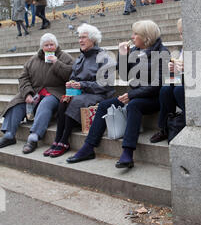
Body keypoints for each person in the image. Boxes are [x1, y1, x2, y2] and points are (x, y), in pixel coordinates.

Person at [67, 20, 170, 169]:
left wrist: (132, 95)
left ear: (146, 36)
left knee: (133, 105)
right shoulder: (135, 50)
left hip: (154, 98)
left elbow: (157, 84)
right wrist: (122, 56)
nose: (132, 37)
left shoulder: (162, 52)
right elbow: (124, 75)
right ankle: (88, 148)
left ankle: (127, 153)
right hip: (135, 94)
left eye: (136, 34)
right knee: (103, 106)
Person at [44, 24, 116, 158]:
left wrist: (82, 85)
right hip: (82, 93)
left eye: (84, 37)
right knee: (64, 99)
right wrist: (71, 83)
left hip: (99, 94)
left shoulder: (105, 57)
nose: (80, 40)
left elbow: (105, 84)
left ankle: (64, 141)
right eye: (79, 37)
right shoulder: (81, 57)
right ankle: (57, 140)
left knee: (75, 101)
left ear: (93, 39)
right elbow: (74, 76)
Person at [0, 33, 73, 154]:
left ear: (56, 45)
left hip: (54, 92)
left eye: (52, 45)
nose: (49, 47)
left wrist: (57, 63)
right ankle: (9, 135)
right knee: (16, 103)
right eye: (46, 45)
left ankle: (33, 137)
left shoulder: (64, 57)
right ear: (42, 47)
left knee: (46, 104)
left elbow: (71, 74)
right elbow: (23, 78)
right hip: (35, 91)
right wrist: (27, 93)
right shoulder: (33, 59)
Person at [150, 18, 185, 143]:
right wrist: (173, 69)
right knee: (165, 89)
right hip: (182, 78)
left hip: (194, 81)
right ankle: (165, 127)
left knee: (178, 89)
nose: (182, 36)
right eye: (180, 33)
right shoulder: (184, 49)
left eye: (184, 32)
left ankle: (184, 121)